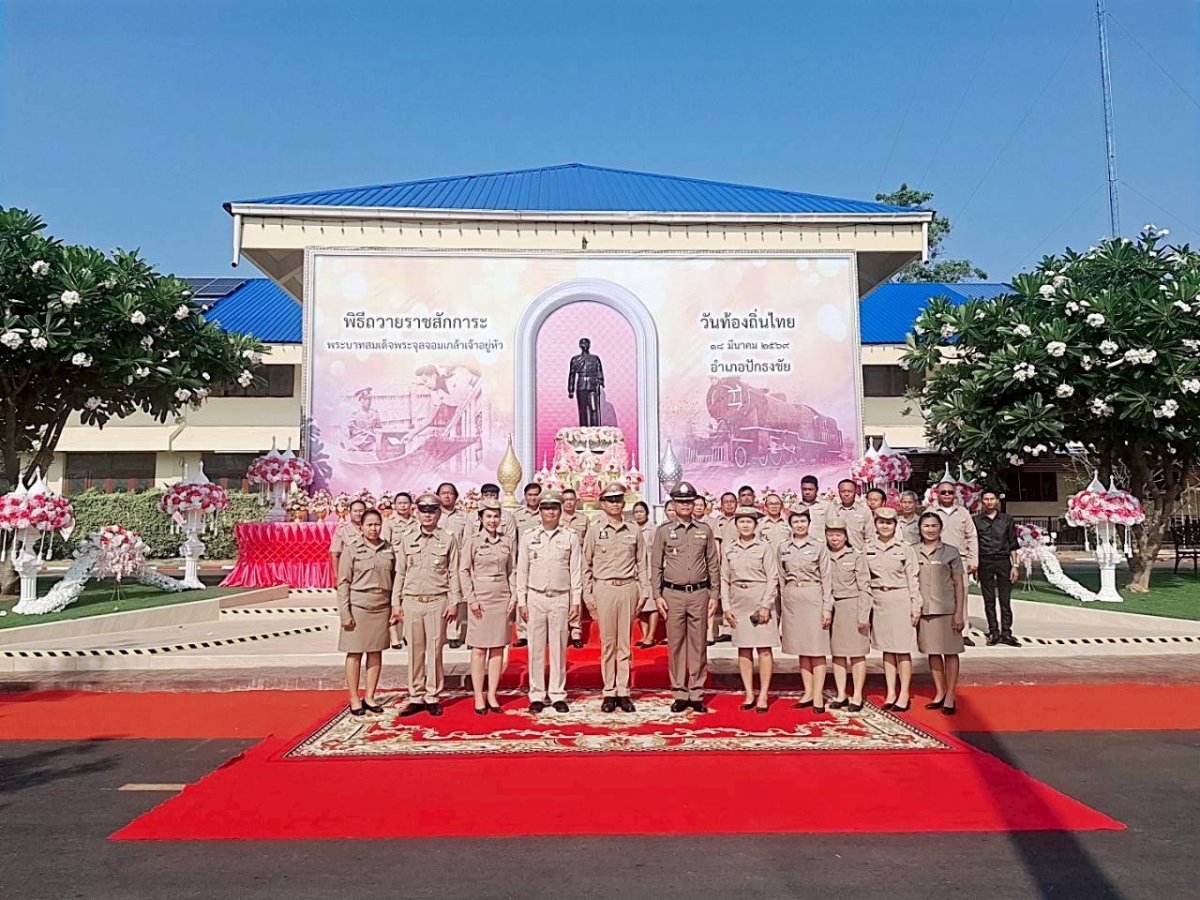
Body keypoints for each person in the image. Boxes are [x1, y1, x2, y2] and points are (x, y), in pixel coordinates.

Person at [650, 483, 720, 713]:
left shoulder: (705, 530)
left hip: (699, 593)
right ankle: (680, 692)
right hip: (673, 594)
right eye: (681, 502)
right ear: (673, 504)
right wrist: (657, 595)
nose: (685, 506)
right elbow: (656, 566)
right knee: (677, 644)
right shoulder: (663, 531)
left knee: (698, 644)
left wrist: (715, 594)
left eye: (689, 502)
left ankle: (697, 691)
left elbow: (712, 563)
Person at [583, 482, 651, 712]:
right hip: (604, 588)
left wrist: (645, 590)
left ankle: (624, 691)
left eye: (618, 500)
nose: (615, 504)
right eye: (610, 500)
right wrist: (588, 595)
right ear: (602, 503)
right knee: (608, 643)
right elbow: (586, 564)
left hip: (628, 588)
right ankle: (608, 691)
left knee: (625, 644)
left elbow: (642, 562)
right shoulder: (595, 530)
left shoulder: (633, 530)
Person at [395, 493, 461, 717]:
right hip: (412, 600)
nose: (427, 514)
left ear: (439, 513)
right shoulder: (408, 538)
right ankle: (415, 695)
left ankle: (432, 695)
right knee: (414, 651)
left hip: (437, 601)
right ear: (417, 512)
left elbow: (453, 573)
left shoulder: (448, 539)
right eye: (423, 510)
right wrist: (397, 602)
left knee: (434, 651)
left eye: (432, 510)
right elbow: (400, 572)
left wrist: (454, 602)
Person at [515, 492, 582, 713]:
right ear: (540, 511)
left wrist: (576, 601)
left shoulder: (570, 536)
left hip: (561, 597)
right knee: (535, 648)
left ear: (560, 511)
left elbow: (576, 571)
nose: (551, 512)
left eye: (555, 508)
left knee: (558, 648)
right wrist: (521, 601)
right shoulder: (529, 536)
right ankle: (536, 694)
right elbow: (522, 570)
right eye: (546, 508)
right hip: (535, 597)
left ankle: (557, 693)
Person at [337, 510, 400, 716]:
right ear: (361, 527)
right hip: (358, 607)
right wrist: (345, 613)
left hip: (381, 607)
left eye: (377, 524)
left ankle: (370, 696)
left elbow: (395, 578)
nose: (373, 528)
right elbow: (343, 582)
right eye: (369, 525)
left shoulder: (388, 549)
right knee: (354, 653)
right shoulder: (352, 550)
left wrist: (394, 607)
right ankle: (354, 698)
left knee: (376, 652)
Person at [721, 505, 780, 713]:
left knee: (764, 649)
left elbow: (773, 577)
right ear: (736, 525)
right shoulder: (729, 548)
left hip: (759, 600)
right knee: (743, 649)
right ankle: (749, 693)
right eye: (741, 521)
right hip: (739, 601)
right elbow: (724, 578)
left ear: (755, 525)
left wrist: (766, 605)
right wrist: (726, 606)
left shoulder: (764, 547)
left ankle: (764, 694)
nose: (745, 525)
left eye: (749, 521)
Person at [459, 498, 516, 714]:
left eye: (496, 516)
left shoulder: (507, 541)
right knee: (480, 649)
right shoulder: (472, 541)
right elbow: (463, 570)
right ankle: (478, 695)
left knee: (498, 647)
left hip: (501, 597)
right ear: (481, 518)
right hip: (480, 599)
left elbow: (513, 569)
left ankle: (492, 694)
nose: (493, 520)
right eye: (488, 516)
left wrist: (514, 596)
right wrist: (471, 599)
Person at [776, 509, 832, 715]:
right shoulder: (783, 547)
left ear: (809, 523)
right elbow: (781, 577)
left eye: (803, 521)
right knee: (802, 647)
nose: (799, 525)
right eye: (796, 521)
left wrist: (827, 607)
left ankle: (818, 693)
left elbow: (826, 577)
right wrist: (784, 602)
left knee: (816, 648)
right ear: (790, 524)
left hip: (814, 596)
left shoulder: (819, 546)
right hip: (793, 598)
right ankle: (807, 691)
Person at [865, 507, 920, 711]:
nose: (885, 526)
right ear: (876, 524)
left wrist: (916, 605)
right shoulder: (867, 547)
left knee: (902, 649)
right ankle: (890, 691)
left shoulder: (905, 548)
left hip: (900, 598)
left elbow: (913, 577)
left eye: (889, 523)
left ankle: (904, 692)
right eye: (881, 522)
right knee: (887, 649)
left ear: (895, 525)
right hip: (879, 600)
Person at [916, 512, 966, 715]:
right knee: (933, 652)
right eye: (926, 526)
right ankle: (940, 692)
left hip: (947, 609)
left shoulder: (951, 552)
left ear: (941, 528)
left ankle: (951, 694)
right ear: (920, 529)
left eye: (933, 525)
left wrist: (959, 613)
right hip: (925, 609)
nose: (929, 529)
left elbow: (959, 584)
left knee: (950, 652)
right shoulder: (913, 551)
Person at [825, 519, 872, 712]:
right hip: (831, 607)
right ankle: (841, 693)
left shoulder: (855, 556)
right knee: (837, 653)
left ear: (846, 536)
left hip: (852, 606)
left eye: (839, 534)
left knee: (856, 654)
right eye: (831, 534)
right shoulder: (823, 555)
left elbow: (865, 586)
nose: (835, 538)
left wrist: (863, 614)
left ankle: (858, 694)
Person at [932, 478, 979, 646]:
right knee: (937, 595)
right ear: (937, 494)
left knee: (962, 596)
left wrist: (974, 560)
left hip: (960, 559)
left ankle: (963, 632)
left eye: (950, 492)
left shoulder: (963, 513)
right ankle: (939, 630)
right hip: (937, 559)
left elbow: (971, 536)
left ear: (955, 495)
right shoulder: (931, 512)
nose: (946, 495)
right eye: (943, 492)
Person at [973, 489, 1020, 646]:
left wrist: (1015, 565)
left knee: (1005, 599)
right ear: (982, 501)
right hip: (984, 561)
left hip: (1003, 561)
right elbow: (974, 544)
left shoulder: (1007, 519)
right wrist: (975, 567)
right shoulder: (976, 520)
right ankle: (994, 632)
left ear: (997, 501)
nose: (989, 502)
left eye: (992, 499)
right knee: (989, 600)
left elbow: (1013, 543)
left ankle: (1007, 633)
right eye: (986, 499)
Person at [436, 482, 469, 649]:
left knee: (458, 597)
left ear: (456, 496)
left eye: (450, 493)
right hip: (438, 562)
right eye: (443, 493)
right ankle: (439, 632)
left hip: (459, 561)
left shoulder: (464, 517)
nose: (447, 496)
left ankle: (454, 634)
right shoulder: (433, 515)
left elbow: (468, 540)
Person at [511, 482, 543, 647]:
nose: (532, 498)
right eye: (529, 495)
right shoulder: (517, 515)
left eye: (535, 494)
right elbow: (513, 540)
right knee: (521, 596)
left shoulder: (545, 513)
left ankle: (540, 632)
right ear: (525, 496)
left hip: (541, 561)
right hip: (522, 562)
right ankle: (522, 633)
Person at [560, 488, 591, 648]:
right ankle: (564, 630)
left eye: (572, 499)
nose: (569, 502)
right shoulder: (557, 519)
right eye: (565, 500)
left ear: (576, 501)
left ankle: (576, 632)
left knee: (576, 595)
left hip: (579, 561)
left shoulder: (583, 519)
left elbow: (588, 543)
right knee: (563, 596)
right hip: (561, 560)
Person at [632, 501, 661, 648]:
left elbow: (658, 552)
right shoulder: (630, 529)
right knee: (641, 606)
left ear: (647, 513)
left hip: (650, 571)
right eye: (636, 512)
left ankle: (651, 635)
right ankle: (644, 635)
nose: (638, 514)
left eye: (641, 511)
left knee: (652, 606)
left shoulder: (654, 530)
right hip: (635, 572)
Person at [832, 480, 872, 549]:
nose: (846, 494)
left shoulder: (865, 512)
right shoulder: (832, 511)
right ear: (839, 493)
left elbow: (870, 537)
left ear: (855, 493)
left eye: (850, 491)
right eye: (843, 491)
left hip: (858, 554)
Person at [345, 387, 382, 451]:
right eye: (364, 399)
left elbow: (379, 429)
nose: (367, 401)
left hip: (371, 442)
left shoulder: (375, 413)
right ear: (360, 400)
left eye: (369, 399)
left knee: (379, 449)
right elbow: (348, 432)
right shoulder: (354, 415)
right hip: (357, 443)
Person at [795, 475, 830, 542]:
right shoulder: (795, 507)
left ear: (817, 489)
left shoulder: (827, 506)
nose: (807, 492)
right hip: (800, 547)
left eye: (810, 489)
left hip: (820, 547)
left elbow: (832, 529)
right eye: (804, 489)